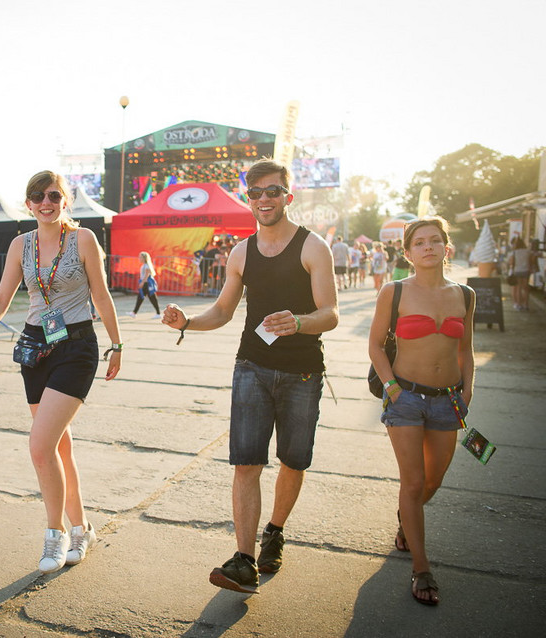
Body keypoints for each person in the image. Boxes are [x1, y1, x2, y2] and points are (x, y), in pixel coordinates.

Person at [163, 158, 338, 594]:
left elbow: (330, 314)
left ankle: (274, 531)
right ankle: (243, 560)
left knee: (293, 462)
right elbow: (222, 311)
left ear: (287, 196)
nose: (264, 199)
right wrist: (187, 322)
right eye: (256, 192)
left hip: (302, 373)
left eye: (273, 191)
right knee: (246, 464)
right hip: (251, 369)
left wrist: (299, 322)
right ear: (249, 198)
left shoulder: (313, 247)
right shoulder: (242, 252)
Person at [0, 170, 123, 574]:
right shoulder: (21, 244)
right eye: (38, 196)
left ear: (64, 200)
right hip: (35, 347)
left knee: (39, 446)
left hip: (76, 346)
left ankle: (56, 536)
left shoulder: (83, 240)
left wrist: (116, 344)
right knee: (57, 447)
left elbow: (100, 294)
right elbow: (2, 297)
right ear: (29, 203)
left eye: (53, 195)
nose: (46, 202)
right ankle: (82, 527)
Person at [368, 216, 475, 606]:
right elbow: (377, 346)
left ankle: (406, 520)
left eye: (435, 241)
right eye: (419, 242)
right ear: (408, 253)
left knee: (433, 481)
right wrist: (393, 389)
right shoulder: (394, 292)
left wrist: (467, 392)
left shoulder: (465, 294)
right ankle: (421, 566)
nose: (427, 247)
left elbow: (466, 351)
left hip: (449, 399)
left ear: (447, 248)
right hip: (406, 398)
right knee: (413, 484)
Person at [126, 251, 161, 319]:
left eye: (140, 257)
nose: (139, 258)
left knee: (151, 298)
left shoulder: (146, 266)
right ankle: (134, 312)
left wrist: (142, 282)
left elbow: (147, 275)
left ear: (144, 258)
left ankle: (158, 313)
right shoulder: (144, 265)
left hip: (147, 284)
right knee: (141, 297)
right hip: (145, 283)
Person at [507, 237, 535, 310]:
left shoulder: (515, 252)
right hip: (526, 271)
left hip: (517, 271)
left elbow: (512, 262)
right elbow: (531, 261)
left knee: (518, 289)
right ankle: (526, 304)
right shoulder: (528, 252)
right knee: (526, 289)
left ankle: (518, 304)